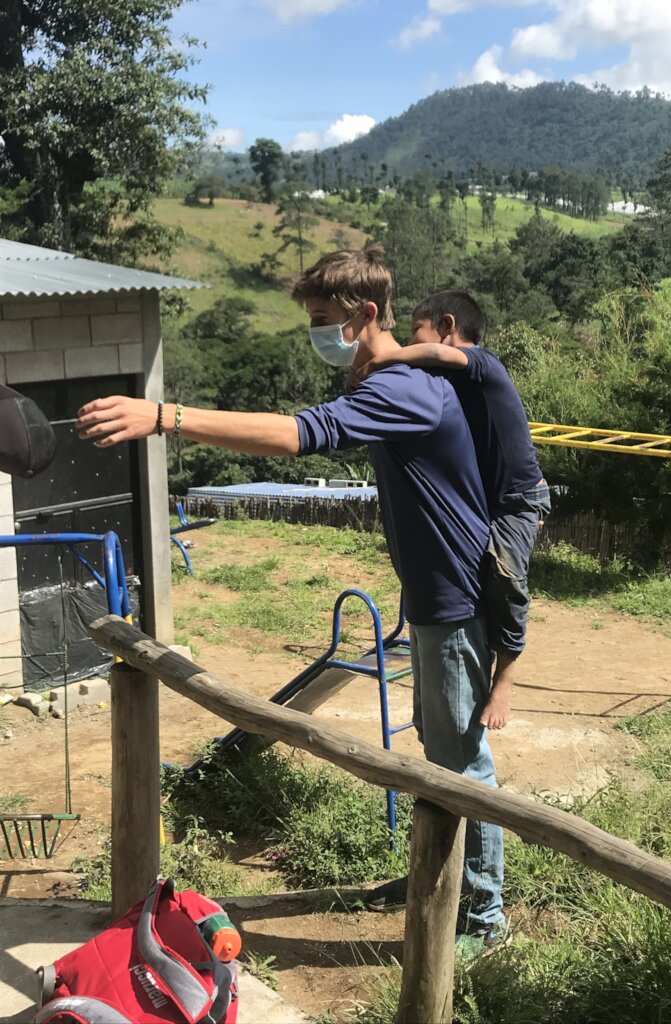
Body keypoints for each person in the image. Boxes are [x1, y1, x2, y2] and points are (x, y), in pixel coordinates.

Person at [76, 249, 506, 946]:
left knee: (462, 763)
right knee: (439, 749)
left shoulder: (405, 386)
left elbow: (301, 434)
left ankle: (482, 914)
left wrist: (165, 416)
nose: (316, 333)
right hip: (436, 598)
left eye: (321, 320)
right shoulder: (397, 380)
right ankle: (438, 876)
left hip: (454, 602)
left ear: (365, 315)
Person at [355, 290, 550, 731]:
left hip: (519, 500)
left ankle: (506, 678)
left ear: (447, 326)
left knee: (506, 579)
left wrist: (382, 359)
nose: (409, 344)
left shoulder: (484, 364)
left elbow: (429, 354)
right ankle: (482, 656)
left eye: (415, 332)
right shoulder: (440, 386)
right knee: (482, 580)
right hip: (487, 498)